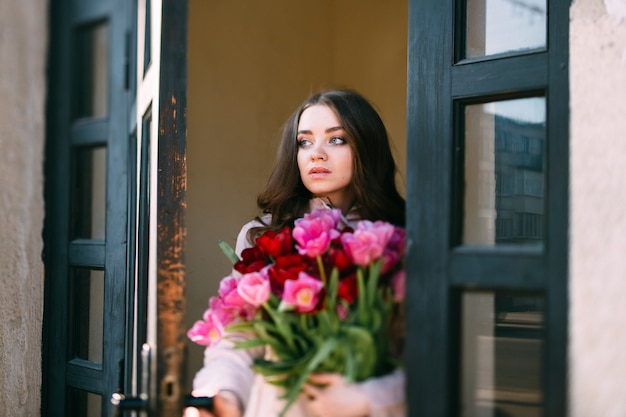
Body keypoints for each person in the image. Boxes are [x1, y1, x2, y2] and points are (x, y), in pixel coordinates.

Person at [185, 89, 406, 417]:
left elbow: (426, 349)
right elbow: (238, 336)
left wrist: (371, 399)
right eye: (304, 142)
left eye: (336, 139)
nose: (316, 154)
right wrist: (221, 392)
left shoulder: (396, 238)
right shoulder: (263, 236)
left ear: (367, 146)